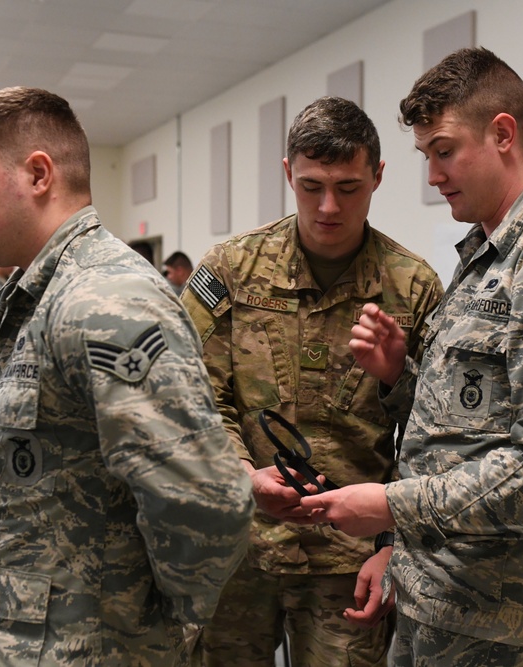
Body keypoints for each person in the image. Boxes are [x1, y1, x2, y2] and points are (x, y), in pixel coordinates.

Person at [300, 48, 523, 666]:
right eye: (426, 154)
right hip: (440, 590)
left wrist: (388, 507)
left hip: (501, 616)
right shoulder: (489, 253)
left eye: (444, 150)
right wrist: (400, 377)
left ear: (502, 133)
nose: (432, 175)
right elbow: (469, 426)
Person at [0, 86, 254, 666]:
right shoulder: (47, 289)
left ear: (37, 174)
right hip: (24, 635)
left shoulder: (106, 299)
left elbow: (204, 500)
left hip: (76, 644)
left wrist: (159, 624)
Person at [181, 96, 443, 667]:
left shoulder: (412, 287)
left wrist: (394, 546)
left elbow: (434, 432)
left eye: (348, 188)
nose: (328, 206)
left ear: (378, 176)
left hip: (349, 560)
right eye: (310, 186)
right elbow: (195, 399)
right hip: (238, 546)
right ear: (286, 174)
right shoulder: (230, 269)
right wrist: (245, 475)